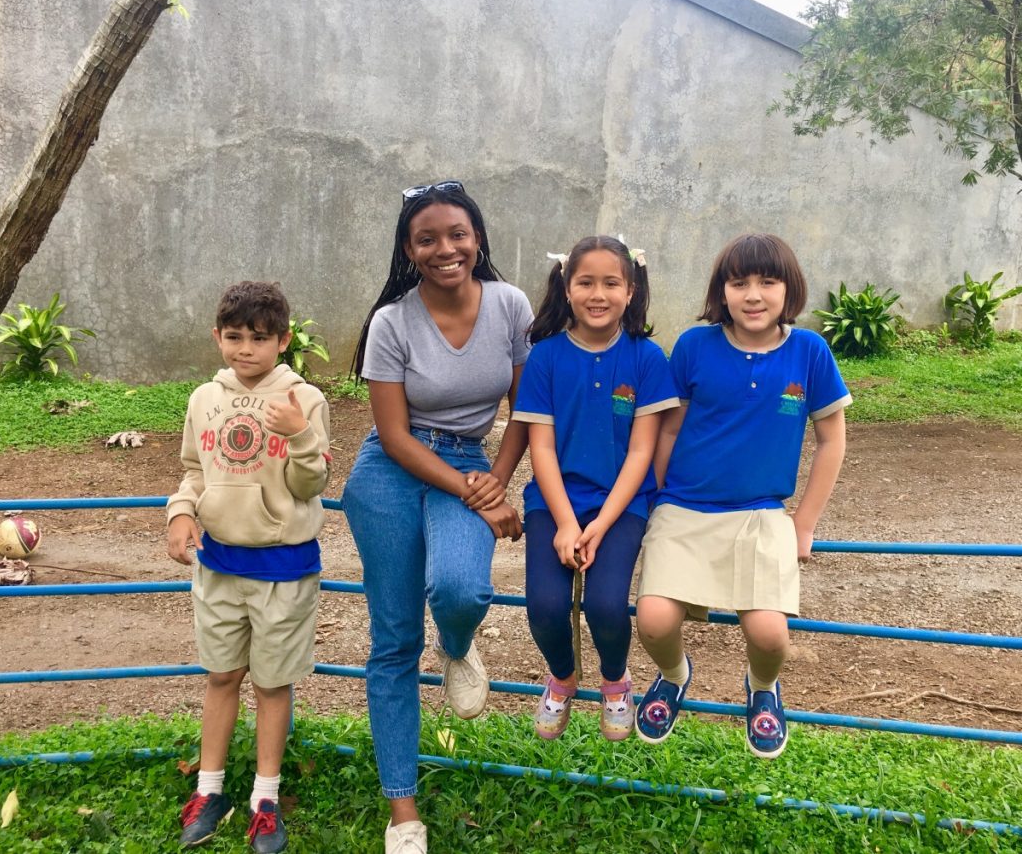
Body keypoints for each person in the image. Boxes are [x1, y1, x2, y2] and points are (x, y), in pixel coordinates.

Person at [341, 180, 531, 854]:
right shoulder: (391, 322)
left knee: (461, 589)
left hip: (473, 465)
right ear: (408, 248)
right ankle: (403, 814)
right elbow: (393, 436)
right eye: (427, 238)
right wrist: (478, 492)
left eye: (457, 233)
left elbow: (528, 407)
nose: (445, 248)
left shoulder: (510, 305)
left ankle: (456, 647)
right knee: (393, 642)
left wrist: (498, 481)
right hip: (392, 473)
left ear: (477, 237)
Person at [634, 233, 850, 758]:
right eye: (739, 283)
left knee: (772, 635)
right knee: (654, 621)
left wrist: (803, 524)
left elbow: (832, 440)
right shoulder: (693, 346)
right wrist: (658, 500)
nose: (753, 295)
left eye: (767, 282)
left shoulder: (809, 352)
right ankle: (674, 674)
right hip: (685, 506)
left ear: (789, 289)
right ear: (722, 291)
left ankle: (761, 687)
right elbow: (667, 430)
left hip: (760, 513)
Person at [166, 281, 332, 853]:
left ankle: (265, 796)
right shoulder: (202, 400)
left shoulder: (304, 400)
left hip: (283, 569)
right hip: (217, 565)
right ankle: (209, 790)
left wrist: (300, 437)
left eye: (259, 338)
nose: (245, 349)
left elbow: (313, 485)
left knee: (271, 682)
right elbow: (193, 469)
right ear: (218, 337)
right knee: (220, 675)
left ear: (283, 341)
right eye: (234, 337)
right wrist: (182, 513)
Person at [511, 236, 678, 741]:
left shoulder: (647, 358)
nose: (597, 294)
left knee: (607, 606)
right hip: (553, 501)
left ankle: (613, 679)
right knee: (543, 607)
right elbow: (540, 449)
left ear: (631, 290)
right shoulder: (545, 359)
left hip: (622, 505)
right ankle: (563, 676)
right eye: (586, 282)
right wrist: (565, 523)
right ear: (566, 287)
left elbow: (641, 453)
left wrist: (601, 525)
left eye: (611, 283)